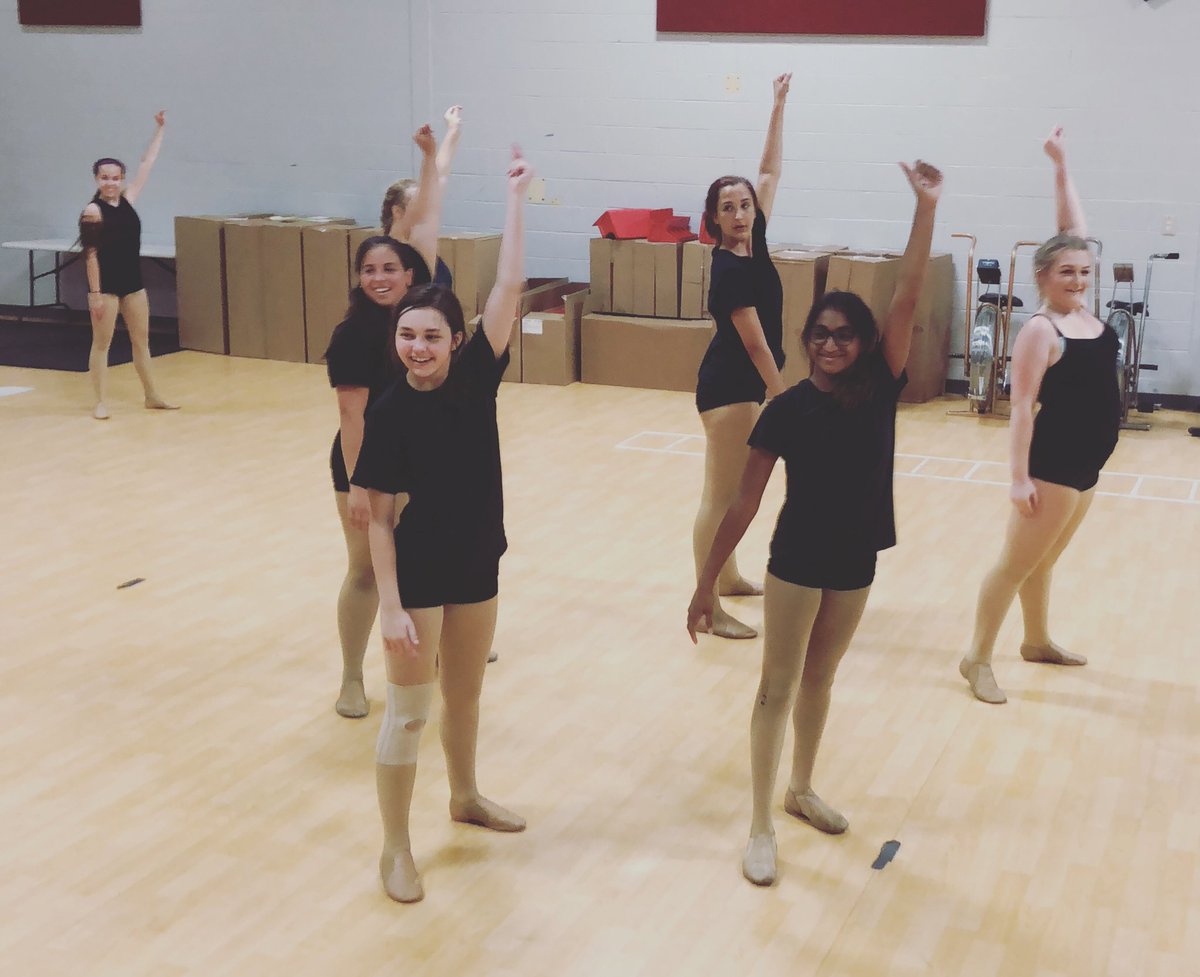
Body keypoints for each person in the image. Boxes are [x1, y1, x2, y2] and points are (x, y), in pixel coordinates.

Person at [687, 160, 943, 887]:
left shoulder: (883, 389)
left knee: (820, 680)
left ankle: (800, 789)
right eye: (821, 335)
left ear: (864, 342)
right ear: (808, 340)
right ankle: (761, 821)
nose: (832, 344)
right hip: (795, 561)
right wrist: (705, 585)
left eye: (845, 335)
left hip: (856, 562)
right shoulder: (787, 408)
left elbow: (910, 291)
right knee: (776, 686)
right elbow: (741, 505)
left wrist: (926, 207)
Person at [352, 146, 532, 903]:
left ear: (457, 341)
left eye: (430, 336)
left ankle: (464, 795)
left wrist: (515, 197)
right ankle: (395, 847)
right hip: (418, 573)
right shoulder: (390, 413)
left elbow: (510, 284)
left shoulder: (478, 373)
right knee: (408, 711)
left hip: (477, 563)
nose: (417, 348)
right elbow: (378, 518)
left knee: (466, 695)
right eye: (406, 336)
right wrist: (389, 604)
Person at [959, 128, 1121, 705]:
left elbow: (1072, 229)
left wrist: (1061, 165)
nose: (1078, 280)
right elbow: (1022, 407)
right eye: (1066, 273)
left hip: (1088, 466)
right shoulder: (1041, 329)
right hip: (1051, 467)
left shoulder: (1086, 314)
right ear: (1043, 279)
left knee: (1045, 559)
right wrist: (1018, 478)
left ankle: (1036, 640)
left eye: (1083, 272)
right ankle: (976, 658)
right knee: (1014, 564)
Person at [326, 125, 441, 720]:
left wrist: (432, 156)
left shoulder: (420, 319)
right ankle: (351, 676)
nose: (380, 278)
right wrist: (358, 487)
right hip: (366, 463)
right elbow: (352, 417)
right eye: (369, 270)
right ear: (359, 276)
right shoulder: (352, 336)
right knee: (366, 571)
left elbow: (425, 220)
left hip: (421, 457)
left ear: (407, 274)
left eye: (389, 269)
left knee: (428, 562)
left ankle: (436, 653)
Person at [692, 75, 792, 639]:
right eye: (728, 208)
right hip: (729, 392)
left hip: (744, 388)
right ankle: (706, 603)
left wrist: (776, 106)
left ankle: (726, 578)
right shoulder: (729, 267)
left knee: (731, 495)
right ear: (714, 218)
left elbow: (772, 172)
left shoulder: (756, 242)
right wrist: (783, 395)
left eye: (745, 204)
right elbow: (754, 341)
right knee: (721, 499)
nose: (740, 212)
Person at [79, 110, 177, 420]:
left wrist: (159, 129)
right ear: (97, 179)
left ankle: (152, 394)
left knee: (141, 341)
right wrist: (95, 293)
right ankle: (100, 401)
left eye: (116, 177)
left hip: (133, 284)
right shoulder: (92, 211)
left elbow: (147, 163)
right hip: (106, 287)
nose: (111, 182)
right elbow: (91, 254)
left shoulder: (130, 199)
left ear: (122, 179)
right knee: (102, 344)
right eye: (105, 177)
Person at [380, 105, 464, 287]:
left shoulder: (420, 239)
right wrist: (428, 155)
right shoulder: (389, 253)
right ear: (397, 211)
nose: (427, 202)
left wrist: (453, 130)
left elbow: (438, 177)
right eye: (419, 199)